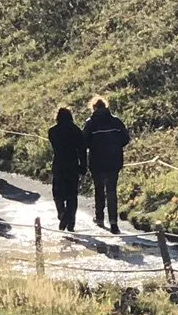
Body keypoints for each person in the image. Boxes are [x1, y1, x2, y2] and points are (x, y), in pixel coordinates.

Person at [84, 95, 131, 232]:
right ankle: (113, 222)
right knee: (111, 191)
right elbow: (125, 138)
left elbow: (84, 141)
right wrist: (115, 147)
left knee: (99, 190)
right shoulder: (116, 121)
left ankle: (99, 217)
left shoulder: (91, 123)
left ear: (93, 108)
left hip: (97, 161)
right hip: (114, 160)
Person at [48, 106, 88, 232]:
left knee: (57, 193)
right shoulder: (76, 131)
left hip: (59, 163)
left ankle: (62, 214)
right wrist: (83, 166)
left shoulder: (52, 131)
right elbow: (82, 150)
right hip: (72, 164)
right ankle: (71, 222)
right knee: (72, 195)